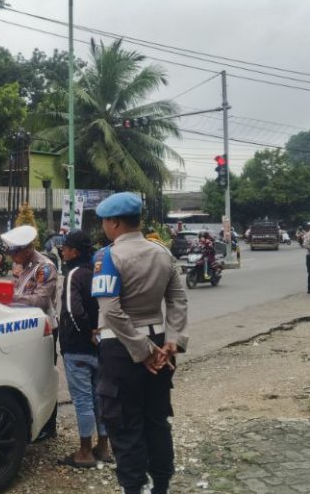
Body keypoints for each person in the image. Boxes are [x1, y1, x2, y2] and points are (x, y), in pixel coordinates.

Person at [92, 192, 188, 494]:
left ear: (115, 222)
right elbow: (177, 299)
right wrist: (173, 340)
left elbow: (111, 311)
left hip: (122, 349)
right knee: (156, 420)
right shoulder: (162, 252)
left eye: (106, 221)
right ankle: (161, 486)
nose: (105, 227)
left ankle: (133, 488)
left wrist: (142, 351)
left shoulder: (106, 257)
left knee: (125, 423)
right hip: (161, 344)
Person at [56, 230, 112, 468]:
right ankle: (104, 447)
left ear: (74, 252)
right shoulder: (96, 273)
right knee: (100, 397)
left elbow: (72, 309)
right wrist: (98, 333)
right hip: (100, 345)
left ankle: (85, 451)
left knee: (82, 400)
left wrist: (87, 332)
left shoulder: (74, 275)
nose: (62, 251)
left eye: (65, 248)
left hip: (79, 347)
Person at [1, 224, 59, 438]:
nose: (10, 256)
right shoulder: (19, 265)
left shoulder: (45, 267)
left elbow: (41, 301)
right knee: (25, 376)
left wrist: (9, 297)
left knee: (44, 376)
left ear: (27, 249)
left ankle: (49, 426)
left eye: (13, 251)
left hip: (44, 328)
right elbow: (14, 287)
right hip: (21, 327)